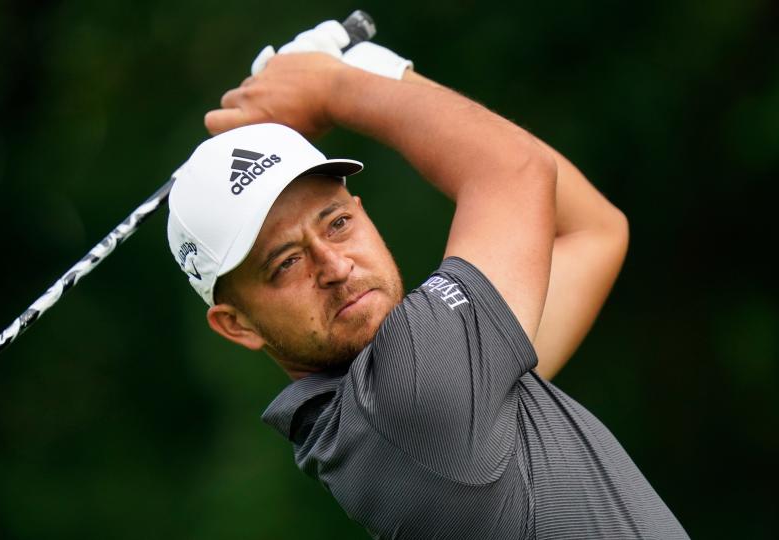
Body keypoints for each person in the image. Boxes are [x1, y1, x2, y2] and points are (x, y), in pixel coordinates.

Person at [166, 20, 688, 539]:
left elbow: (587, 231)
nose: (335, 266)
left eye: (338, 224)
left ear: (362, 212)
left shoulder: (450, 398)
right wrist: (334, 87)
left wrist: (377, 71)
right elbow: (516, 169)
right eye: (286, 264)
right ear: (236, 325)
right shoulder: (407, 404)